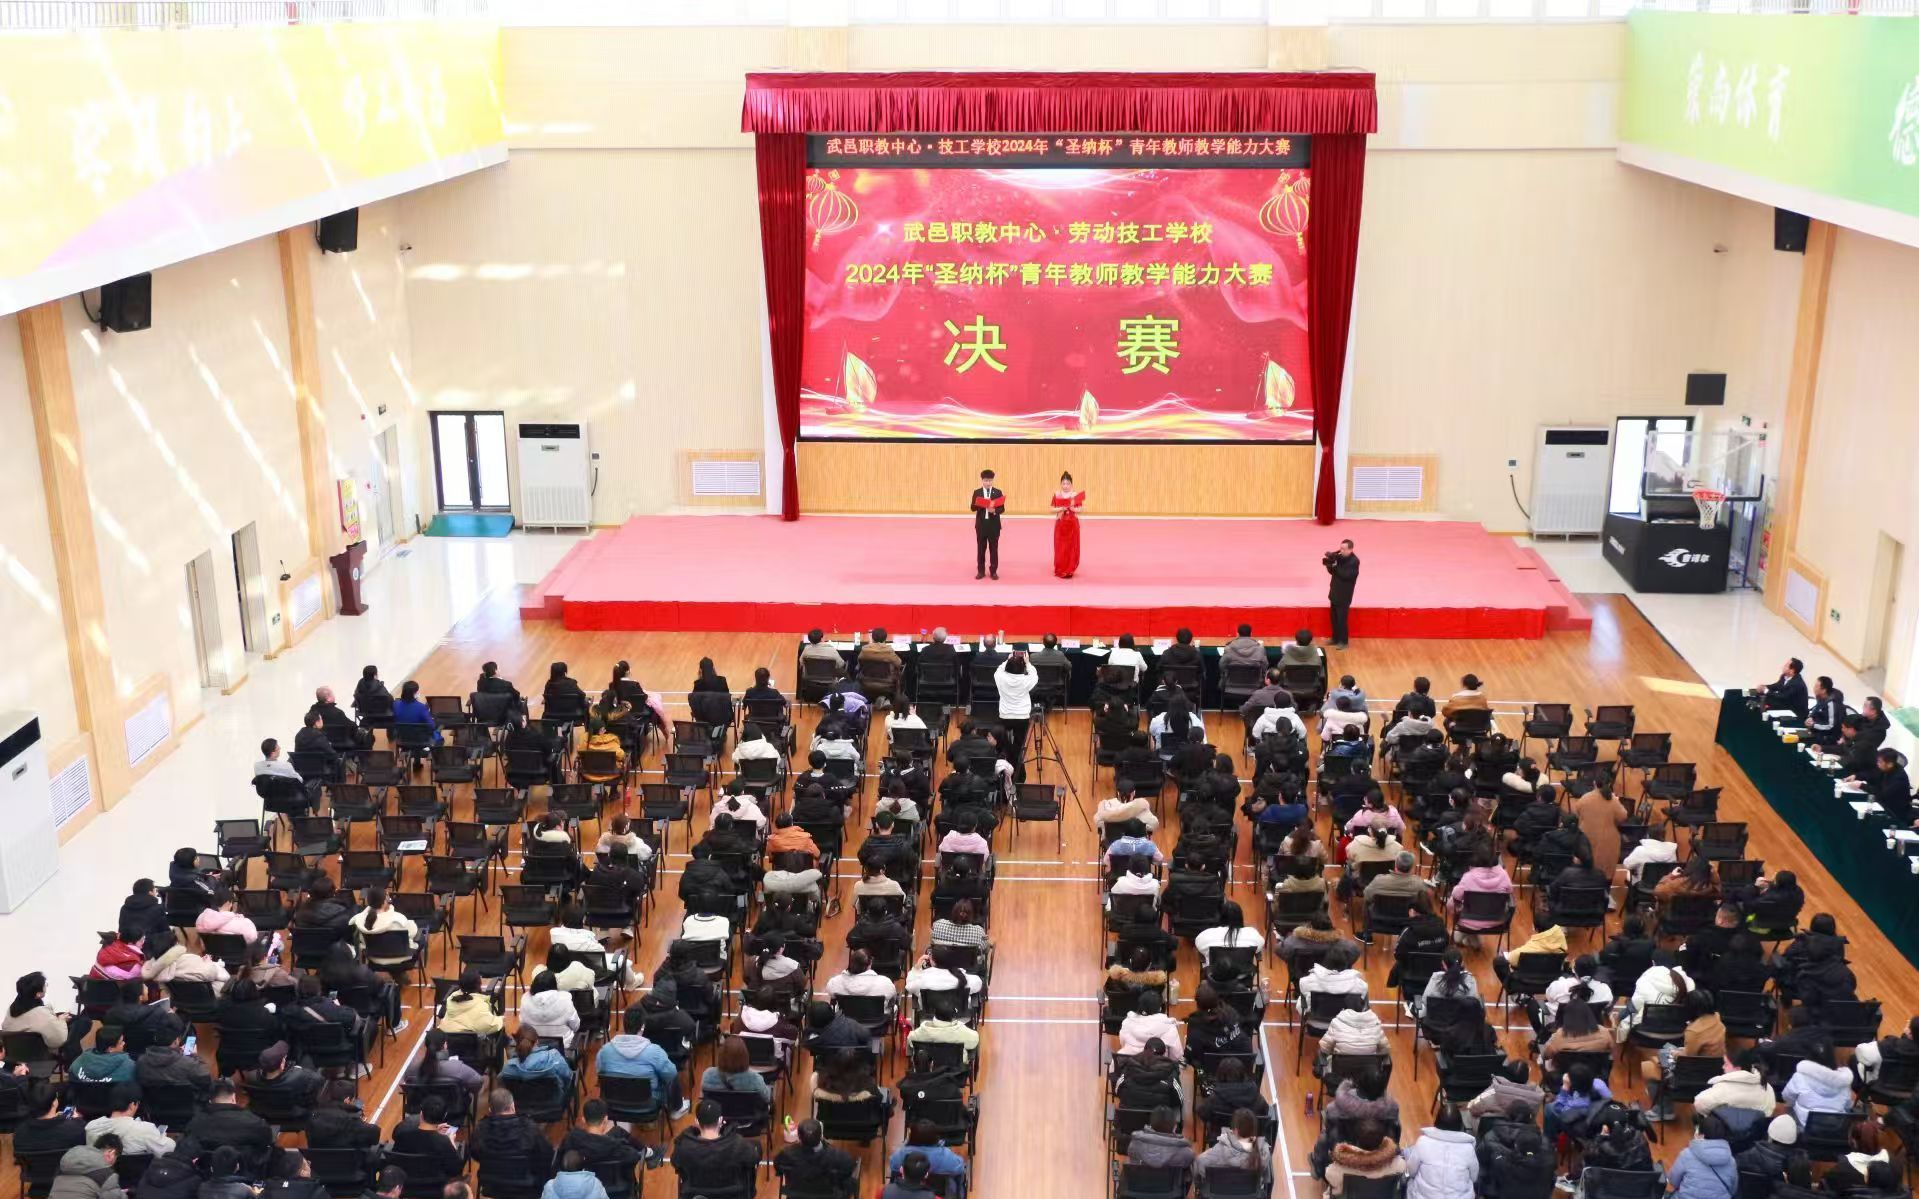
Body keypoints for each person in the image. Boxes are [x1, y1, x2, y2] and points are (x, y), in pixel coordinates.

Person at [671, 1099, 761, 1194]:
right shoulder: (738, 1144)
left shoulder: (684, 1147)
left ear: (697, 1122)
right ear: (720, 1120)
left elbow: (676, 1163)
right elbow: (754, 1159)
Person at [470, 1087, 554, 1185]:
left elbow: (475, 1154)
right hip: (525, 1184)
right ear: (513, 1106)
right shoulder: (529, 1128)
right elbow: (546, 1153)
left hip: (491, 1183)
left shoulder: (480, 1129)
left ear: (490, 1110)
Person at [182, 1079, 274, 1166]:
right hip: (246, 1170)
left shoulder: (195, 1124)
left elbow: (188, 1150)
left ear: (210, 1101)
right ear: (233, 1098)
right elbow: (267, 1141)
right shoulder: (255, 1123)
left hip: (207, 1172)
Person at [1402, 1106, 1478, 1199]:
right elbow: (1474, 1177)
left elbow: (1411, 1171)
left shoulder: (1423, 1142)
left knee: (1408, 1154)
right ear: (1460, 1125)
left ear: (1436, 1122)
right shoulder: (1468, 1149)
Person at [775, 1119, 858, 1198]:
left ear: (799, 1136)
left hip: (797, 1195)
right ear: (821, 1135)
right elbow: (849, 1169)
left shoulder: (786, 1155)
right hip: (829, 1196)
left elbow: (778, 1167)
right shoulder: (838, 1156)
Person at [1324, 1117, 1405, 1197]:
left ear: (1356, 1140)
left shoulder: (1337, 1170)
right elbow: (1402, 1171)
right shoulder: (1398, 1165)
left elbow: (1330, 1177)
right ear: (1383, 1139)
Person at [392, 1096, 466, 1180]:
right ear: (444, 1116)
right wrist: (452, 1142)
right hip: (435, 1185)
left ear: (421, 1114)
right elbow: (456, 1170)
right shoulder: (444, 1143)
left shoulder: (403, 1135)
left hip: (406, 1182)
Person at [1669, 1114, 1739, 1199]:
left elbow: (1673, 1180)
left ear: (1700, 1134)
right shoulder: (1731, 1161)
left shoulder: (1686, 1155)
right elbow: (1733, 1189)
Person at [1571, 781, 1630, 881]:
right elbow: (1623, 816)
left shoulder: (1585, 798)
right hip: (1608, 842)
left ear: (1594, 783)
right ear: (1609, 784)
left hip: (1586, 839)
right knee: (1606, 874)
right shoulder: (1613, 800)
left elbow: (1576, 812)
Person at [887, 1120, 968, 1188]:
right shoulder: (945, 1155)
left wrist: (905, 1145)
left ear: (912, 1136)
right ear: (935, 1137)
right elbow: (959, 1167)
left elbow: (893, 1166)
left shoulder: (901, 1154)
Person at [995, 651, 1037, 773]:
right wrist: (1028, 663)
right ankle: (1018, 770)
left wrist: (1007, 660)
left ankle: (1005, 763)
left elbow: (998, 670)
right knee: (1019, 744)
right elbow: (1034, 675)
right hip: (1022, 716)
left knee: (1004, 743)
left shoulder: (1000, 677)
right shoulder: (1026, 680)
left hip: (1005, 715)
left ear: (1007, 666)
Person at [1126, 1106, 1196, 1171]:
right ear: (1175, 1125)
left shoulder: (1134, 1146)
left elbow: (1133, 1169)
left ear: (1150, 1125)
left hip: (1141, 1180)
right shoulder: (1186, 1154)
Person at [501, 1027, 573, 1088]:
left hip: (518, 1100)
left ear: (516, 1042)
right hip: (555, 1099)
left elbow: (502, 1084)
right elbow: (567, 1077)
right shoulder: (555, 1058)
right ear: (537, 1041)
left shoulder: (507, 1068)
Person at [1325, 538, 1360, 648]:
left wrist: (1335, 566)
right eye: (1341, 548)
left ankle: (1344, 642)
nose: (1341, 551)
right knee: (1334, 619)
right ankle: (1335, 639)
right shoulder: (1339, 557)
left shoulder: (1354, 561)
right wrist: (1330, 565)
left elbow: (1346, 575)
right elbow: (1332, 572)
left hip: (1344, 596)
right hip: (1334, 593)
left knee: (1341, 620)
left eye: (1344, 549)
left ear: (1350, 549)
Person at [970, 469, 1005, 580]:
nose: (988, 483)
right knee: (981, 549)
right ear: (982, 480)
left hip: (994, 525)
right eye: (986, 481)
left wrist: (994, 510)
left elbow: (1002, 509)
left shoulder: (998, 492)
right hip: (981, 525)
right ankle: (980, 571)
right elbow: (972, 508)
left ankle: (993, 571)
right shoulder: (977, 492)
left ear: (992, 480)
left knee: (993, 549)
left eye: (990, 481)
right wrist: (981, 504)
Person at [1051, 471, 1084, 578]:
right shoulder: (1057, 495)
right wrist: (1061, 508)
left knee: (1071, 547)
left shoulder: (1075, 495)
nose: (1065, 486)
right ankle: (1061, 569)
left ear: (1071, 484)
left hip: (1072, 524)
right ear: (1061, 484)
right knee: (1060, 547)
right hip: (1061, 524)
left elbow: (1081, 509)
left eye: (1068, 484)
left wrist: (1073, 508)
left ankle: (1069, 570)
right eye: (1063, 483)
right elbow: (1051, 509)